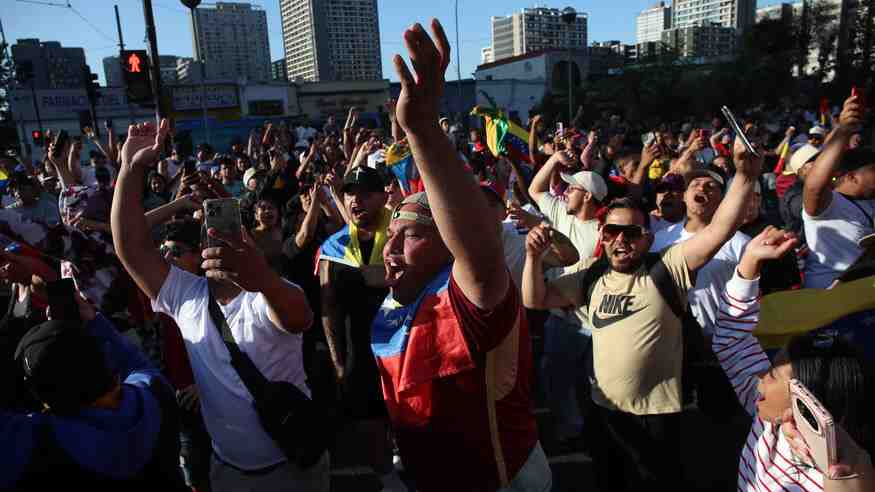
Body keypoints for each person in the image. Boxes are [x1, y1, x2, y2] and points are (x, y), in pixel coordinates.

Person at [523, 133, 761, 490]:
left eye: (632, 233)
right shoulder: (591, 276)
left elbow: (721, 230)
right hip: (604, 413)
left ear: (648, 238)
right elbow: (535, 300)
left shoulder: (668, 267)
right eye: (614, 231)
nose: (622, 239)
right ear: (602, 236)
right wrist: (531, 257)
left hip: (658, 416)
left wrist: (744, 176)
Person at [372, 19, 549, 491]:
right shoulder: (395, 303)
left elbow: (479, 251)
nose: (389, 249)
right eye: (390, 234)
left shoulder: (474, 297)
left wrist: (423, 131)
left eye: (408, 236)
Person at [111, 119, 326, 491]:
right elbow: (130, 245)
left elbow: (300, 315)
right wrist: (131, 169)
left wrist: (260, 278)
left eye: (230, 231)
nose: (219, 239)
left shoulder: (267, 295)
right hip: (228, 472)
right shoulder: (186, 297)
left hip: (293, 467)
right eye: (208, 231)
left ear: (249, 240)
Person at [713, 226, 875, 491]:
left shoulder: (840, 475)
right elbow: (733, 340)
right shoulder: (765, 417)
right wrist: (749, 263)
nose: (760, 378)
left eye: (773, 373)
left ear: (810, 400)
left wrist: (844, 470)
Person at [1, 291, 187, 490]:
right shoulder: (154, 392)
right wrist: (95, 321)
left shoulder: (34, 442)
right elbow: (135, 363)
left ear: (42, 395)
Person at [316, 166, 403, 490]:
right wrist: (338, 361)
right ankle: (388, 479)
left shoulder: (403, 238)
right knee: (368, 422)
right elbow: (328, 308)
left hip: (403, 348)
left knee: (410, 415)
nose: (356, 199)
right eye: (350, 192)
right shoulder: (333, 249)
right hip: (359, 353)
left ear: (383, 197)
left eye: (366, 192)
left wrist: (389, 274)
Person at [527, 149, 607, 447]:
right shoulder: (560, 211)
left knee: (595, 381)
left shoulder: (604, 230)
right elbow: (535, 188)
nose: (563, 191)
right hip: (561, 319)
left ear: (587, 196)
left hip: (594, 322)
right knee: (555, 377)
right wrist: (554, 160)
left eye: (571, 188)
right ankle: (571, 429)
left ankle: (599, 431)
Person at [802, 95, 874, 288]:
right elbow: (813, 185)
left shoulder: (868, 201)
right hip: (830, 296)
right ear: (852, 176)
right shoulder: (827, 204)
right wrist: (844, 129)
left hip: (863, 292)